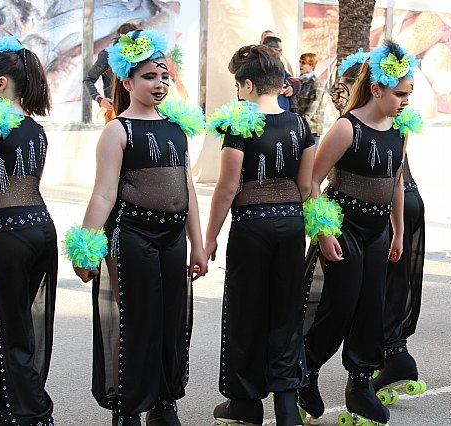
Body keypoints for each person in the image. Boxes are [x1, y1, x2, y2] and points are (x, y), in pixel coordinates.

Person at [67, 29, 207, 426]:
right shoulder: (117, 130)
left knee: (170, 320)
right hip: (133, 237)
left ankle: (164, 402)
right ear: (127, 82)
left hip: (173, 237)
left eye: (164, 75)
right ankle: (129, 405)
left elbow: (189, 191)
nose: (159, 83)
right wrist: (86, 248)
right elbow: (103, 195)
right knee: (136, 322)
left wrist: (197, 244)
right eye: (148, 76)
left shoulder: (177, 127)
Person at [298, 40, 419, 425]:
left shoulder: (400, 131)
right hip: (345, 224)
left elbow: (396, 182)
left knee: (372, 308)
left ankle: (361, 383)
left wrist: (398, 231)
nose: (405, 101)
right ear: (377, 88)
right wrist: (323, 232)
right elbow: (311, 183)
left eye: (409, 94)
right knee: (340, 305)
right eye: (400, 93)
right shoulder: (347, 128)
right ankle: (307, 370)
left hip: (378, 229)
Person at [205, 44, 315, 426]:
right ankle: (287, 408)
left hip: (252, 226)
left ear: (247, 85)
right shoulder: (301, 124)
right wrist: (319, 231)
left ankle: (245, 405)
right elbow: (306, 186)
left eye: (238, 85)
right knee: (285, 313)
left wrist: (208, 239)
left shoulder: (240, 123)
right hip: (291, 226)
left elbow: (227, 187)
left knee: (245, 313)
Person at [0, 35, 56, 425]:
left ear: (0, 84)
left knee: (9, 329)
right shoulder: (35, 128)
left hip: (8, 233)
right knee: (18, 326)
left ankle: (33, 414)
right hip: (40, 229)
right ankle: (10, 405)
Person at [83, 21, 139, 123]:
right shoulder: (108, 54)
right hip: (115, 110)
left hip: (137, 111)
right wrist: (100, 99)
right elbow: (88, 79)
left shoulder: (140, 56)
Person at [262, 36, 299, 112]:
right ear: (271, 50)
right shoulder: (256, 69)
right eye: (280, 50)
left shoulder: (279, 68)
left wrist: (292, 87)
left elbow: (294, 80)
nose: (281, 54)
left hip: (284, 116)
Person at [297, 52, 325, 144]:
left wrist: (302, 121)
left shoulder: (315, 82)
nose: (300, 65)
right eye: (300, 62)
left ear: (312, 65)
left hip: (312, 128)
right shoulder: (301, 81)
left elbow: (314, 105)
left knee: (310, 157)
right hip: (302, 126)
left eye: (303, 63)